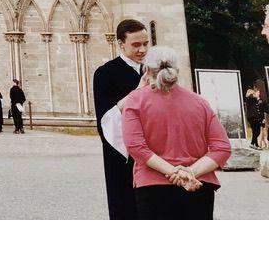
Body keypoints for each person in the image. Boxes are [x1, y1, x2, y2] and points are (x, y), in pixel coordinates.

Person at [121, 46, 231, 220]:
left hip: (153, 186)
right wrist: (188, 172)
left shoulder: (135, 99)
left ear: (147, 70)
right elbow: (222, 148)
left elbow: (136, 147)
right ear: (177, 71)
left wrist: (174, 172)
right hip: (198, 184)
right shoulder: (200, 102)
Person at [93, 18, 148, 220]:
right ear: (121, 43)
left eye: (145, 43)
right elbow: (106, 119)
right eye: (136, 45)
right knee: (126, 204)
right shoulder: (106, 73)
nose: (142, 49)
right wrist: (140, 90)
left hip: (154, 148)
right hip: (122, 151)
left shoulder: (153, 69)